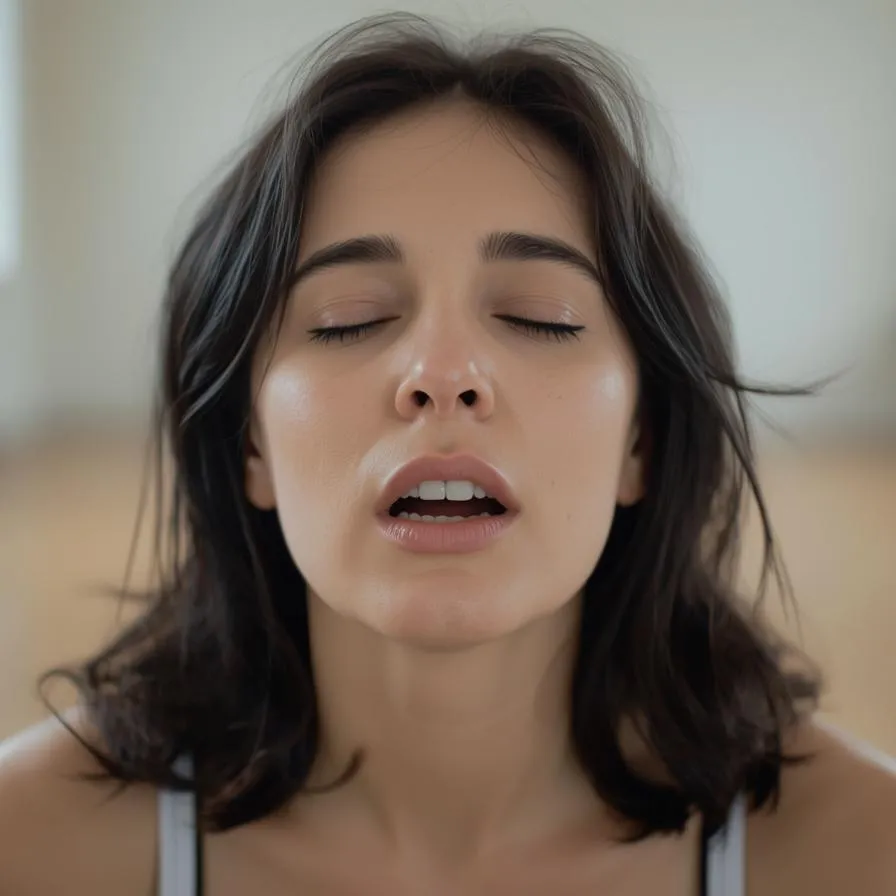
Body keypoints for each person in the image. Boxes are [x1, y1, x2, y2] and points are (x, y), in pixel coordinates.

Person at [0, 12, 893, 895]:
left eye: (542, 316)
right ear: (250, 442)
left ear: (641, 439)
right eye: (349, 319)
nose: (442, 374)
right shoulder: (33, 847)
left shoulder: (858, 854)